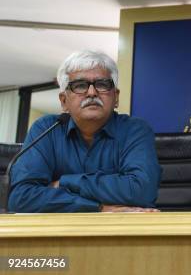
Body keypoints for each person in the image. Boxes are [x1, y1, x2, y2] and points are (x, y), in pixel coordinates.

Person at [8, 50, 161, 212]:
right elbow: (21, 197)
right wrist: (99, 208)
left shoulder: (135, 130)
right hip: (58, 235)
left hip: (120, 233)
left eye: (102, 84)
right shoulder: (46, 129)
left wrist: (64, 182)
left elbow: (142, 192)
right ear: (64, 101)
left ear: (115, 97)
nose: (92, 92)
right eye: (80, 86)